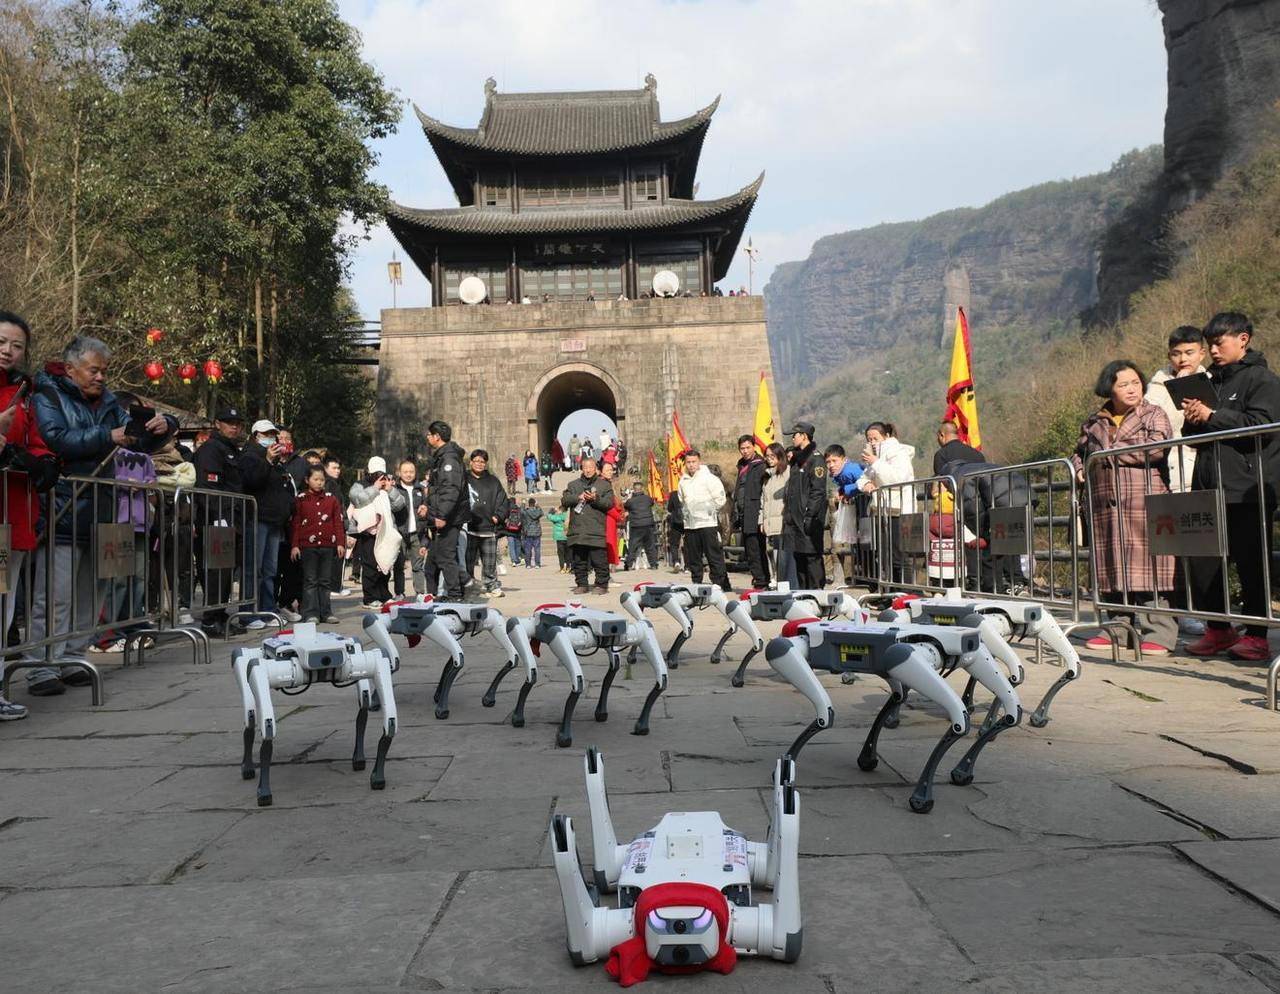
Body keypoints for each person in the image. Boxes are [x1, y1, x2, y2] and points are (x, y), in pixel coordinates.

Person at [27, 336, 176, 695]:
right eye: (93, 370)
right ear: (71, 367)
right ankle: (38, 665)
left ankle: (73, 655)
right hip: (63, 504)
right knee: (55, 594)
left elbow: (135, 438)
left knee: (92, 591)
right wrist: (108, 435)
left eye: (104, 372)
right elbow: (57, 438)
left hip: (102, 507)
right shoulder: (47, 396)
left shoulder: (110, 402)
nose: (99, 378)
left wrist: (163, 426)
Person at [1181, 312, 1280, 661]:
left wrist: (1211, 415)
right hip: (1208, 485)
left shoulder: (1263, 380)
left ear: (1243, 339)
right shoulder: (1210, 382)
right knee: (1204, 561)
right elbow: (1193, 437)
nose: (1213, 349)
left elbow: (1264, 425)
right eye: (1209, 344)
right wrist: (1193, 418)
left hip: (1247, 487)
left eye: (1219, 342)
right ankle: (1218, 629)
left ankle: (1256, 635)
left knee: (1252, 563)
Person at [1072, 360, 1178, 655]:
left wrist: (1110, 453)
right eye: (1123, 384)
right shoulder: (1094, 422)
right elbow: (1079, 452)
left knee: (1152, 567)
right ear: (1109, 389)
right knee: (1112, 566)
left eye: (1135, 382)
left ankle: (1160, 631)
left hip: (1142, 499)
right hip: (1105, 502)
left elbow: (1156, 446)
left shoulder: (1153, 413)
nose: (1132, 389)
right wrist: (1080, 467)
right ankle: (1118, 629)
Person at [0, 312, 57, 719]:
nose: (8, 351)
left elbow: (35, 442)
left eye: (17, 345)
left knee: (4, 604)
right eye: (2, 341)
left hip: (13, 515)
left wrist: (41, 461)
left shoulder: (24, 393)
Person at [192, 406, 247, 635]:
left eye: (237, 423)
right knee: (215, 571)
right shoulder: (211, 449)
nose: (233, 426)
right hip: (216, 519)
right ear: (218, 424)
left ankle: (220, 614)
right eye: (228, 422)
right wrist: (221, 519)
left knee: (226, 571)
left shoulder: (231, 449)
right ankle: (210, 619)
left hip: (231, 518)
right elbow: (209, 487)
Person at [238, 419, 299, 626]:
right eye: (266, 434)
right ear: (256, 436)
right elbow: (252, 481)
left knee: (270, 571)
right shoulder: (250, 456)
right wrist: (267, 460)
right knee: (253, 569)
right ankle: (248, 612)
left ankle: (267, 610)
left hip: (274, 520)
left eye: (272, 434)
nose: (270, 437)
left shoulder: (276, 460)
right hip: (257, 518)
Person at [856, 421, 916, 585]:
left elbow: (898, 478)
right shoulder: (877, 458)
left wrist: (876, 462)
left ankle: (908, 592)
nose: (872, 443)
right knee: (885, 556)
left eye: (875, 438)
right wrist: (866, 484)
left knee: (900, 556)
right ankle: (891, 592)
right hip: (881, 511)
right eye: (869, 440)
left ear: (887, 436)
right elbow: (863, 478)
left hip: (898, 510)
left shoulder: (898, 452)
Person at [290, 465, 343, 623]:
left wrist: (340, 542)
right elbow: (296, 524)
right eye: (316, 479)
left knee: (325, 580)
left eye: (322, 480)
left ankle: (326, 612)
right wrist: (295, 545)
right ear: (307, 480)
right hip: (308, 547)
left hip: (328, 545)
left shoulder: (331, 499)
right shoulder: (301, 499)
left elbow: (338, 523)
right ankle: (310, 613)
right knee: (310, 580)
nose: (319, 483)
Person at [423, 421, 468, 601]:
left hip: (449, 517)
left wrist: (442, 514)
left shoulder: (449, 459)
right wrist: (427, 506)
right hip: (441, 515)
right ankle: (444, 592)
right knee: (435, 558)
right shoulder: (442, 457)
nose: (427, 437)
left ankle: (457, 593)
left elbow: (450, 489)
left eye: (429, 434)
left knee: (445, 557)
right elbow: (437, 488)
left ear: (437, 437)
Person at [347, 468, 401, 607]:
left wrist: (390, 490)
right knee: (370, 566)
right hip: (368, 533)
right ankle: (370, 598)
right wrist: (375, 488)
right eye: (377, 474)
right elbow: (357, 500)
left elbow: (399, 506)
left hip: (386, 531)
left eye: (383, 474)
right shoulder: (359, 484)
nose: (381, 478)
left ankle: (384, 595)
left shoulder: (388, 485)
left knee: (385, 564)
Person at [782, 422, 828, 588]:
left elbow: (818, 491)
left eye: (794, 435)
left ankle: (817, 593)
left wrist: (810, 515)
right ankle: (803, 594)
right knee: (799, 557)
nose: (792, 438)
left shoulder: (815, 459)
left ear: (804, 436)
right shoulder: (797, 459)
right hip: (795, 518)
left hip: (808, 518)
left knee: (811, 557)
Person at [678, 449, 730, 591]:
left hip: (708, 523)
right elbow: (682, 500)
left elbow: (720, 499)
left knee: (713, 554)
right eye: (688, 462)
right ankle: (696, 581)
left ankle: (718, 582)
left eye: (694, 462)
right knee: (693, 557)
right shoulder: (683, 481)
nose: (691, 465)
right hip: (691, 525)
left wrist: (708, 509)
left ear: (699, 461)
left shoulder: (709, 478)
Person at [561, 457, 613, 593]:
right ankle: (582, 584)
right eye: (585, 467)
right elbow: (564, 500)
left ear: (595, 468)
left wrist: (595, 499)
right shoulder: (573, 485)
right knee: (579, 560)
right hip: (578, 529)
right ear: (582, 468)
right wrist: (578, 497)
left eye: (590, 467)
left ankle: (601, 585)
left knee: (599, 560)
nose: (588, 470)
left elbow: (609, 504)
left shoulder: (604, 485)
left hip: (596, 529)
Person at [463, 449, 509, 598]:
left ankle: (491, 585)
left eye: (482, 461)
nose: (479, 464)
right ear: (470, 462)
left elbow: (503, 501)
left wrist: (497, 516)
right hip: (469, 528)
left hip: (488, 528)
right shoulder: (464, 479)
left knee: (489, 562)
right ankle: (468, 587)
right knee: (468, 562)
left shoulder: (493, 481)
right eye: (476, 461)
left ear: (486, 464)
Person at [731, 435, 771, 589]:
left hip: (755, 513)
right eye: (742, 448)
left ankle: (762, 580)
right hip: (743, 514)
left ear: (754, 447)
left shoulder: (760, 465)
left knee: (756, 549)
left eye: (748, 447)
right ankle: (758, 578)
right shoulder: (742, 466)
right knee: (750, 550)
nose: (745, 451)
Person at [760, 442, 794, 588]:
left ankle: (782, 580)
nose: (769, 459)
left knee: (782, 554)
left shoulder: (788, 473)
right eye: (767, 456)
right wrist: (761, 521)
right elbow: (764, 501)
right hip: (769, 522)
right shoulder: (767, 476)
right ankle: (773, 578)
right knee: (771, 553)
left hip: (782, 520)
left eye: (772, 456)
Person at [392, 459, 427, 597]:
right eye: (405, 471)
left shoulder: (420, 489)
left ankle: (420, 593)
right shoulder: (394, 489)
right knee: (399, 565)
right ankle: (400, 592)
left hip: (417, 533)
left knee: (418, 565)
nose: (408, 474)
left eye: (411, 471)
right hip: (400, 533)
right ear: (399, 473)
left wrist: (425, 509)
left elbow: (425, 506)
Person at [322, 454, 351, 596]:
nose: (337, 471)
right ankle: (334, 586)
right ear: (325, 468)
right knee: (336, 556)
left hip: (337, 523)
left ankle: (335, 585)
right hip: (333, 526)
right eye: (334, 468)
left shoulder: (335, 484)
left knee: (336, 556)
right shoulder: (329, 484)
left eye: (338, 468)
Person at [623, 478, 658, 570]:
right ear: (642, 489)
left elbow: (626, 506)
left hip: (636, 525)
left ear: (634, 490)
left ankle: (629, 565)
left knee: (633, 546)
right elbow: (652, 503)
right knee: (650, 545)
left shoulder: (630, 501)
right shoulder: (648, 499)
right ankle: (653, 564)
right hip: (648, 524)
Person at [601, 461, 626, 566]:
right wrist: (618, 516)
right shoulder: (602, 485)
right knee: (608, 545)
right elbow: (606, 505)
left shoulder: (608, 484)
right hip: (607, 519)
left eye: (611, 470)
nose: (610, 472)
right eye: (607, 470)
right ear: (601, 472)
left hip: (611, 518)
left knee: (611, 545)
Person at [521, 497, 544, 567]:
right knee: (537, 549)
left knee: (528, 549)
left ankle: (528, 564)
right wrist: (538, 506)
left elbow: (521, 511)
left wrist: (523, 503)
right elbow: (542, 512)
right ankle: (537, 564)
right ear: (534, 504)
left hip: (528, 532)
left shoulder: (526, 511)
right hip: (537, 532)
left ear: (529, 504)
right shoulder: (537, 511)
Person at [665, 488, 684, 570]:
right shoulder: (692, 491)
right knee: (689, 544)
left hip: (676, 521)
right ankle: (687, 566)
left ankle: (676, 561)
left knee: (674, 543)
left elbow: (669, 508)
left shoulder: (673, 494)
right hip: (689, 521)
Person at [547, 504, 569, 572]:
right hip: (567, 536)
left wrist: (552, 510)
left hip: (559, 537)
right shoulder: (567, 516)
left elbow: (549, 516)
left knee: (561, 553)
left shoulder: (557, 517)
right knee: (567, 553)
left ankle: (562, 568)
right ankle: (568, 567)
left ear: (560, 510)